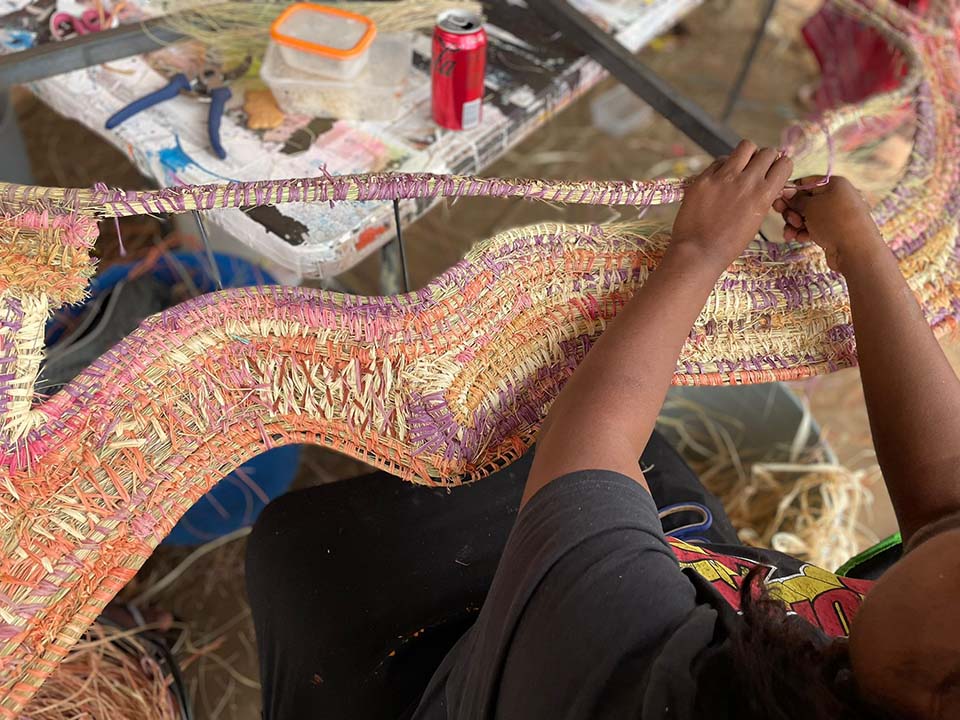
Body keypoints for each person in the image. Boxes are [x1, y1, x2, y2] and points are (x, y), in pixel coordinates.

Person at [246, 141, 960, 719]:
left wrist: (699, 253)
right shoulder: (907, 654)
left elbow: (590, 447)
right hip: (682, 576)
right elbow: (944, 508)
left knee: (319, 546)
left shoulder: (660, 685)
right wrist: (860, 254)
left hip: (441, 658)